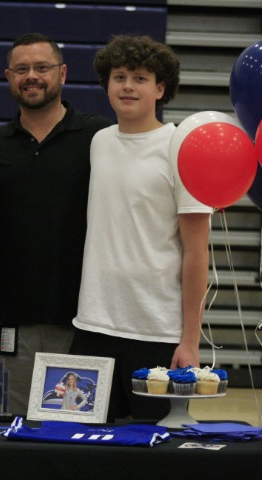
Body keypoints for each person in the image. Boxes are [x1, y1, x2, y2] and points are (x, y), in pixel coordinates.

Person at [69, 34, 212, 422]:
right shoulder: (99, 142)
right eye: (119, 77)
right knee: (82, 444)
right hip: (93, 325)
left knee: (154, 445)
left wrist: (190, 340)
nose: (128, 86)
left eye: (140, 78)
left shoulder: (181, 148)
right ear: (107, 85)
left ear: (160, 88)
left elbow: (197, 253)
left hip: (156, 333)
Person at [0, 33, 113, 416]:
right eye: (21, 69)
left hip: (83, 322)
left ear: (62, 74)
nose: (31, 76)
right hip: (11, 322)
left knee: (72, 434)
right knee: (9, 430)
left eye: (41, 67)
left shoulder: (99, 138)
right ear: (9, 77)